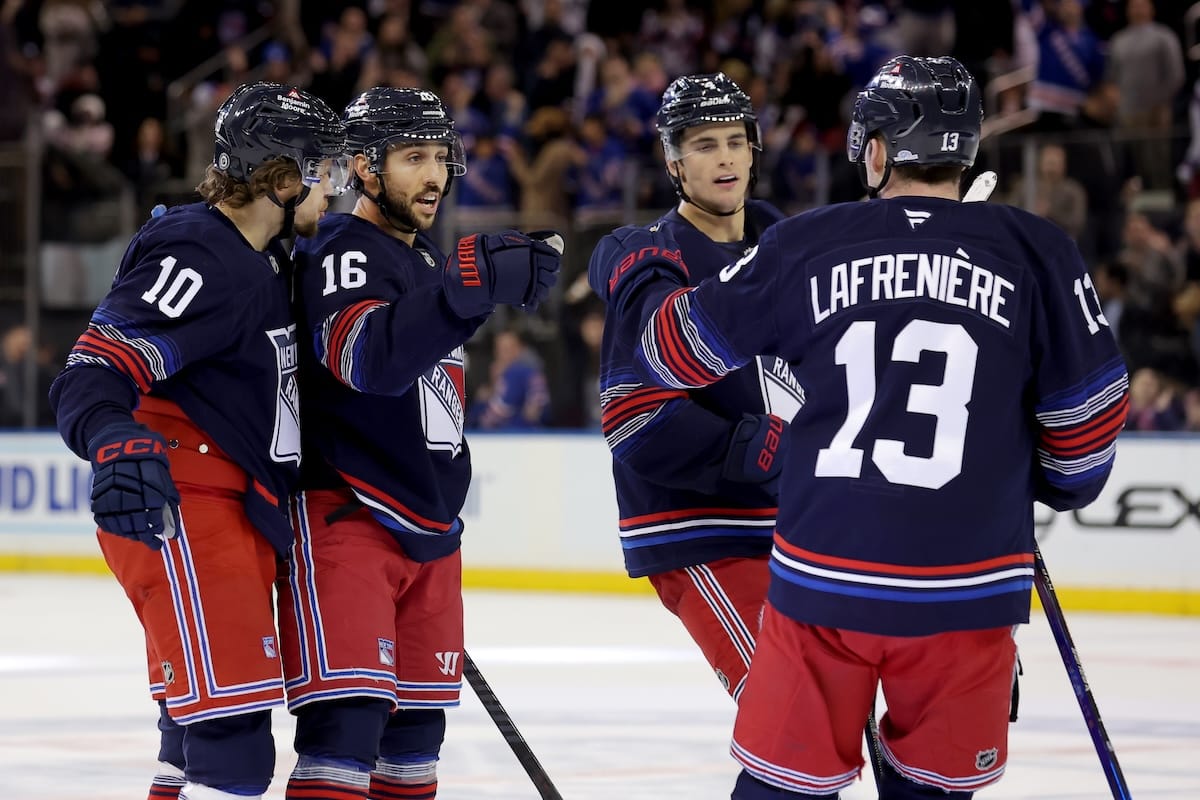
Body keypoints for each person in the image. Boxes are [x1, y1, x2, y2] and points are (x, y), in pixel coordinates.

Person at [632, 56, 1129, 799]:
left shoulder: (807, 242)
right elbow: (1088, 425)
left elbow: (669, 352)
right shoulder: (1037, 249)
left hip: (823, 579)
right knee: (930, 789)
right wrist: (1052, 480)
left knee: (782, 786)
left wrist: (655, 267)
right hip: (971, 588)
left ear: (875, 149)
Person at [48, 81, 348, 800]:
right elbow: (96, 366)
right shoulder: (199, 253)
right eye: (320, 172)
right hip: (184, 503)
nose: (330, 191)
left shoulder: (269, 257)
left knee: (195, 734)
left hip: (234, 509)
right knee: (233, 743)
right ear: (278, 179)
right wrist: (113, 436)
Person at [276, 86, 561, 800]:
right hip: (350, 520)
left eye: (440, 156)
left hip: (429, 536)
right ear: (366, 169)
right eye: (411, 158)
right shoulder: (344, 250)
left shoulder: (428, 263)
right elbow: (366, 362)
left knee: (412, 754)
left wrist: (463, 285)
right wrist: (471, 288)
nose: (433, 175)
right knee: (344, 736)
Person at [585, 72, 801, 701]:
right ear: (673, 159)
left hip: (791, 524)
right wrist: (744, 449)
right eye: (705, 144)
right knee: (784, 710)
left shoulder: (786, 249)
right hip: (699, 528)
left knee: (829, 716)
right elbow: (630, 417)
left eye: (736, 140)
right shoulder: (654, 259)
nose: (726, 157)